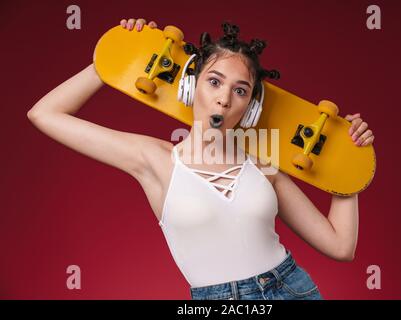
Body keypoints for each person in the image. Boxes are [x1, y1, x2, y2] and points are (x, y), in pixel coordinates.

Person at [27, 18, 375, 300]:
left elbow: (341, 246)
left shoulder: (263, 163)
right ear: (190, 86)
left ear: (250, 107)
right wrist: (111, 60)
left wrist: (349, 166)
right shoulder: (154, 159)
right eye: (214, 81)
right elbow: (45, 114)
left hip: (292, 290)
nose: (224, 99)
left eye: (240, 90)